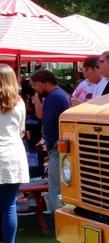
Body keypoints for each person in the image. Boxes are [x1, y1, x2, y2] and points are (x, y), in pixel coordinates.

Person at [29, 69, 70, 223]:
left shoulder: (54, 98)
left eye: (35, 86)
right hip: (59, 147)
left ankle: (59, 221)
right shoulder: (59, 95)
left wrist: (48, 139)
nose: (35, 90)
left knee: (56, 187)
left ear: (40, 83)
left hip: (58, 149)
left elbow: (47, 120)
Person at [0, 65, 29, 243]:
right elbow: (20, 130)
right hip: (11, 156)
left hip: (8, 154)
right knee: (9, 206)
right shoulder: (19, 103)